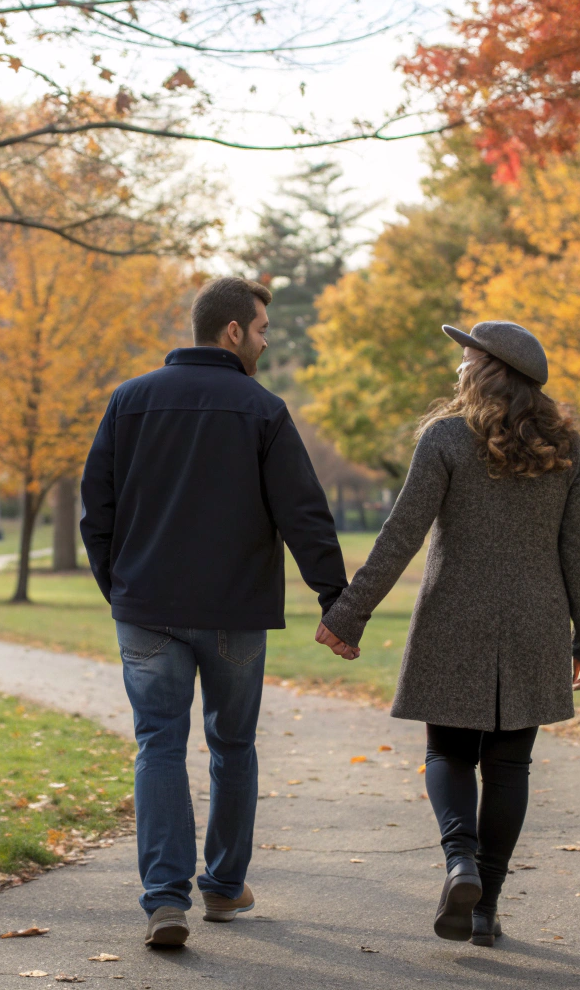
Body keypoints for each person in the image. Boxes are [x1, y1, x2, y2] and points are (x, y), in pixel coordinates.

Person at [80, 276, 348, 948]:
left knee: (158, 748)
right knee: (232, 747)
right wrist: (336, 601)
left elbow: (97, 510)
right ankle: (224, 888)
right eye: (260, 328)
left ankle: (165, 901)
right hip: (233, 614)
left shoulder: (128, 401)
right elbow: (304, 514)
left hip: (146, 609)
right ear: (232, 331)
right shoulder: (262, 409)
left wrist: (118, 588)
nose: (263, 340)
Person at [317, 320, 580, 948]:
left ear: (489, 367)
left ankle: (460, 863)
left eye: (466, 354)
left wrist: (348, 613)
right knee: (509, 766)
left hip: (454, 618)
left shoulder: (446, 437)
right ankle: (483, 910)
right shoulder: (566, 447)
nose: (459, 364)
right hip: (536, 622)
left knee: (448, 753)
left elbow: (401, 534)